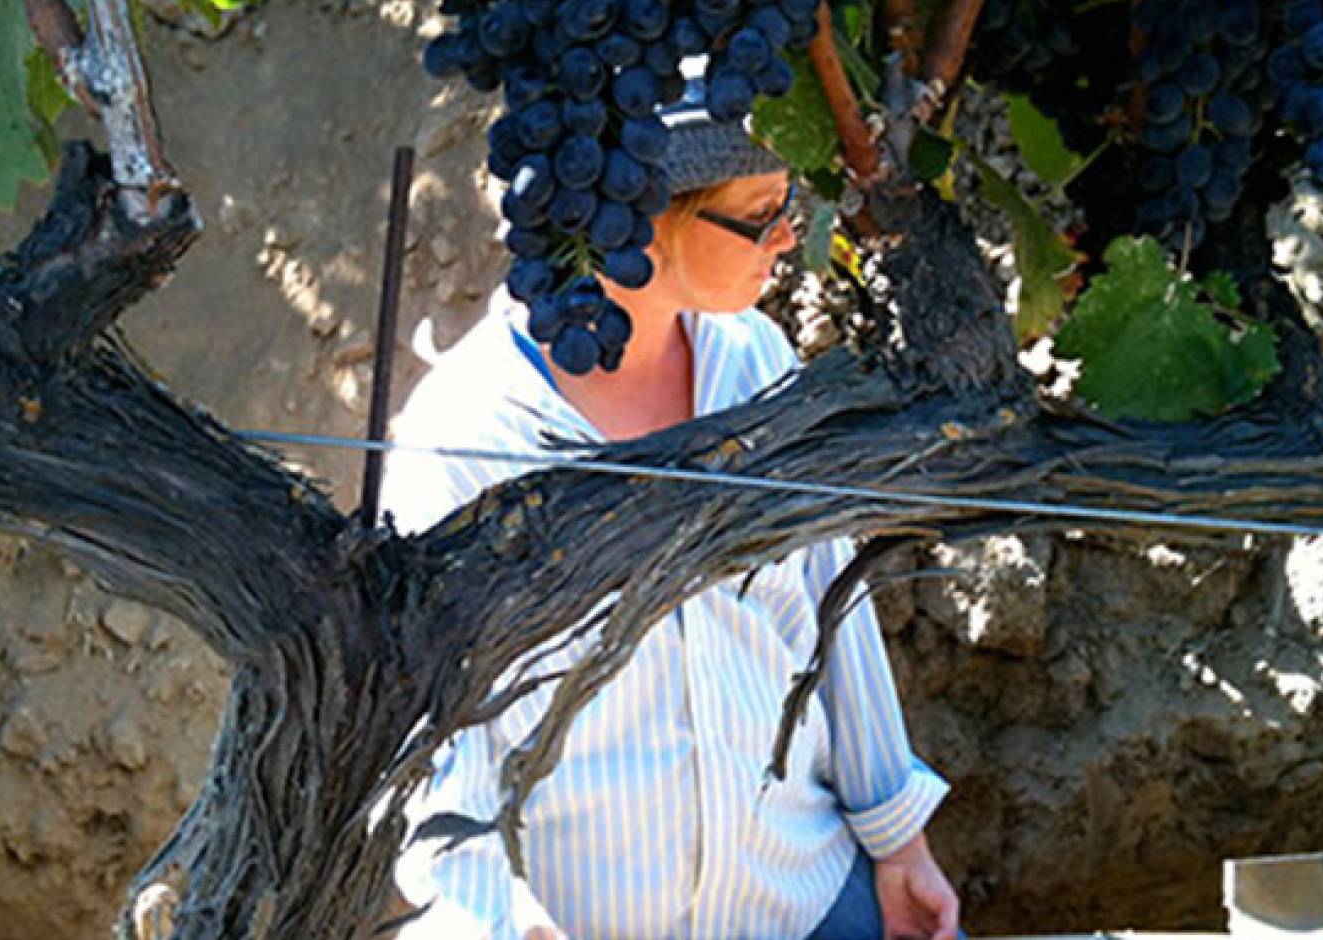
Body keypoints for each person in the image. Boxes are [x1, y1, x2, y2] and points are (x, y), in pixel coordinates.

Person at [381, 79, 959, 940]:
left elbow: (835, 616)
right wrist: (495, 921)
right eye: (762, 213)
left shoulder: (758, 363)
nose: (789, 235)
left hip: (808, 907)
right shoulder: (467, 437)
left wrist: (899, 844)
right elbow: (431, 736)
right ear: (644, 224)